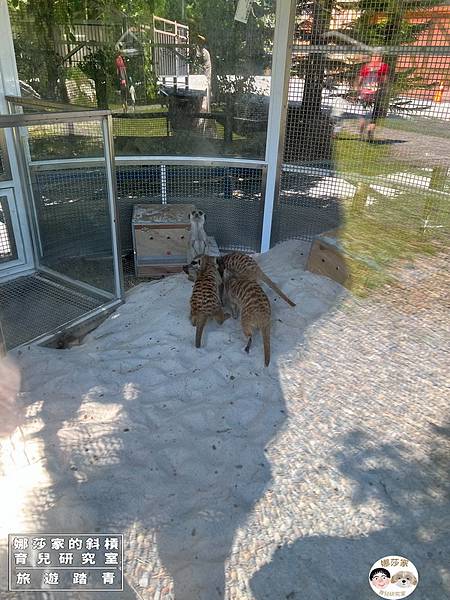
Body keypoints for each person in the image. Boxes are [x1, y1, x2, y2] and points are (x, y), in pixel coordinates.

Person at [356, 55, 389, 142]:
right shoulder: (383, 66)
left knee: (362, 115)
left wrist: (358, 89)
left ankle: (360, 135)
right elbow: (384, 80)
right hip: (376, 94)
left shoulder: (366, 67)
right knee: (374, 116)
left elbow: (360, 80)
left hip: (364, 94)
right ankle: (370, 135)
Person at [115, 46, 129, 113]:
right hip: (124, 83)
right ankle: (125, 108)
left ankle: (124, 108)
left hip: (121, 83)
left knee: (123, 98)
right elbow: (125, 75)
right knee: (125, 97)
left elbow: (118, 71)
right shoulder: (123, 65)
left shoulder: (118, 60)